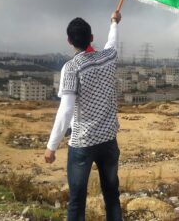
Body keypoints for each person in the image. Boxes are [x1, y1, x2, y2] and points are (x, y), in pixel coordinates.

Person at [44, 11, 122, 221]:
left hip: (82, 143)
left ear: (69, 41)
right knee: (112, 196)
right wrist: (114, 22)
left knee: (77, 201)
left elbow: (66, 110)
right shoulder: (108, 58)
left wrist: (52, 146)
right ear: (92, 37)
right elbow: (113, 42)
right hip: (108, 140)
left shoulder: (71, 68)